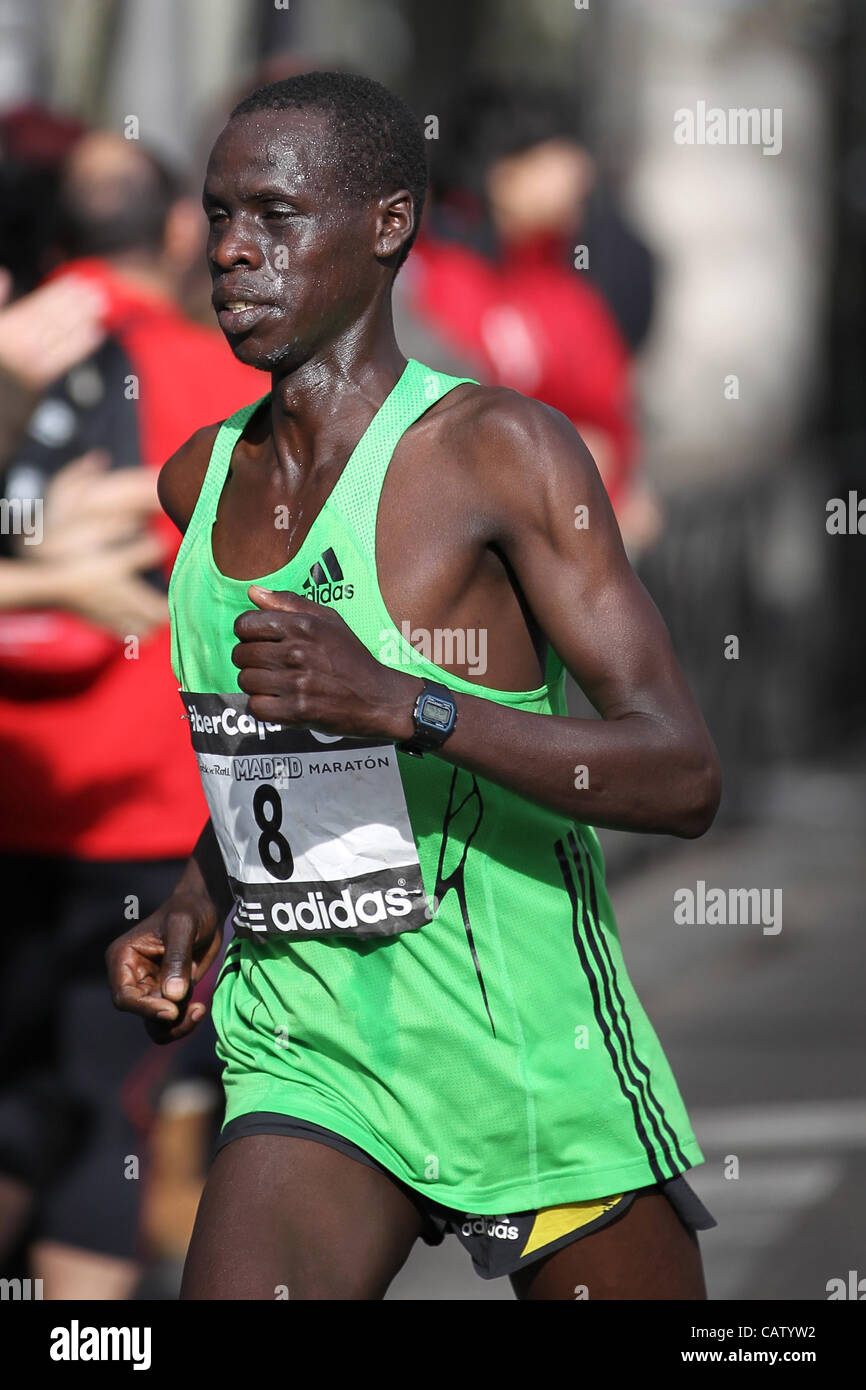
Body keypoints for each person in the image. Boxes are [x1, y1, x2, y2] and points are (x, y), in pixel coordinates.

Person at [107, 71, 722, 1301]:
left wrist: (407, 701)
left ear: (386, 224)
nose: (232, 250)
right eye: (221, 215)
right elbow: (277, 767)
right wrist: (192, 903)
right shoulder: (197, 481)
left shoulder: (498, 453)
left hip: (523, 1038)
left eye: (275, 216)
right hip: (311, 1048)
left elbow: (680, 772)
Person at [0, 129, 260, 1299]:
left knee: (20, 1101)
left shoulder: (19, 354)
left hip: (16, 792)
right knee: (111, 1117)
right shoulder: (223, 379)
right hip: (151, 813)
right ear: (174, 233)